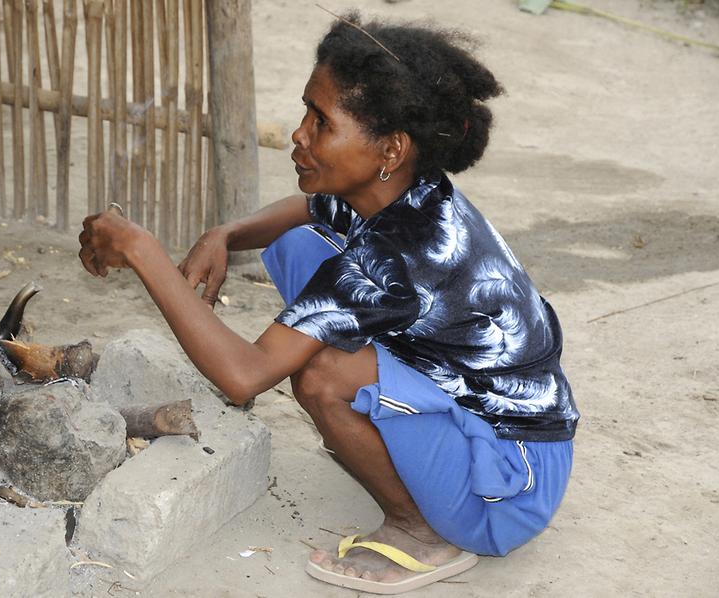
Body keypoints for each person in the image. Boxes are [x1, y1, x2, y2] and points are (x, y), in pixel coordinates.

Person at [79, 12, 578, 596]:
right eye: (305, 114)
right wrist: (227, 233)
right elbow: (310, 209)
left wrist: (143, 251)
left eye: (321, 123)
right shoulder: (405, 189)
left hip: (508, 487)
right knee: (299, 247)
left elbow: (244, 378)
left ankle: (420, 531)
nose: (299, 135)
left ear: (391, 148)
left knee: (319, 374)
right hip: (504, 424)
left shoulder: (398, 254)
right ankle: (399, 445)